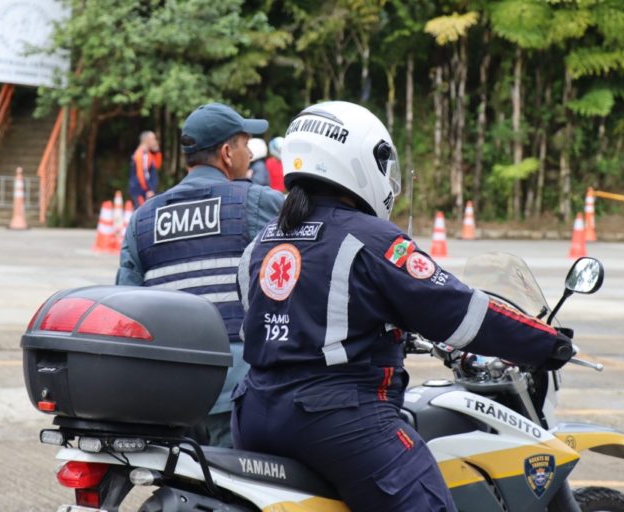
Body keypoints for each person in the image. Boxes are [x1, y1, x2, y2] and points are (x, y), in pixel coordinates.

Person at [232, 101, 573, 511]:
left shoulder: (262, 244)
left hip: (253, 412)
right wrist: (545, 343)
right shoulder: (369, 238)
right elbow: (456, 308)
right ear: (356, 159)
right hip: (338, 418)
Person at [117, 103, 285, 447]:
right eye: (244, 144)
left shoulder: (144, 219)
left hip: (168, 396)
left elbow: (126, 305)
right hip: (236, 390)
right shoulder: (254, 202)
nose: (248, 152)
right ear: (226, 153)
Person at [129, 130, 161, 208]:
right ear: (147, 140)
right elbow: (141, 174)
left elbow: (157, 165)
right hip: (141, 192)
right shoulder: (140, 154)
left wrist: (157, 151)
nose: (155, 141)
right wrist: (148, 190)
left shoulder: (148, 154)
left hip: (146, 191)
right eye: (153, 139)